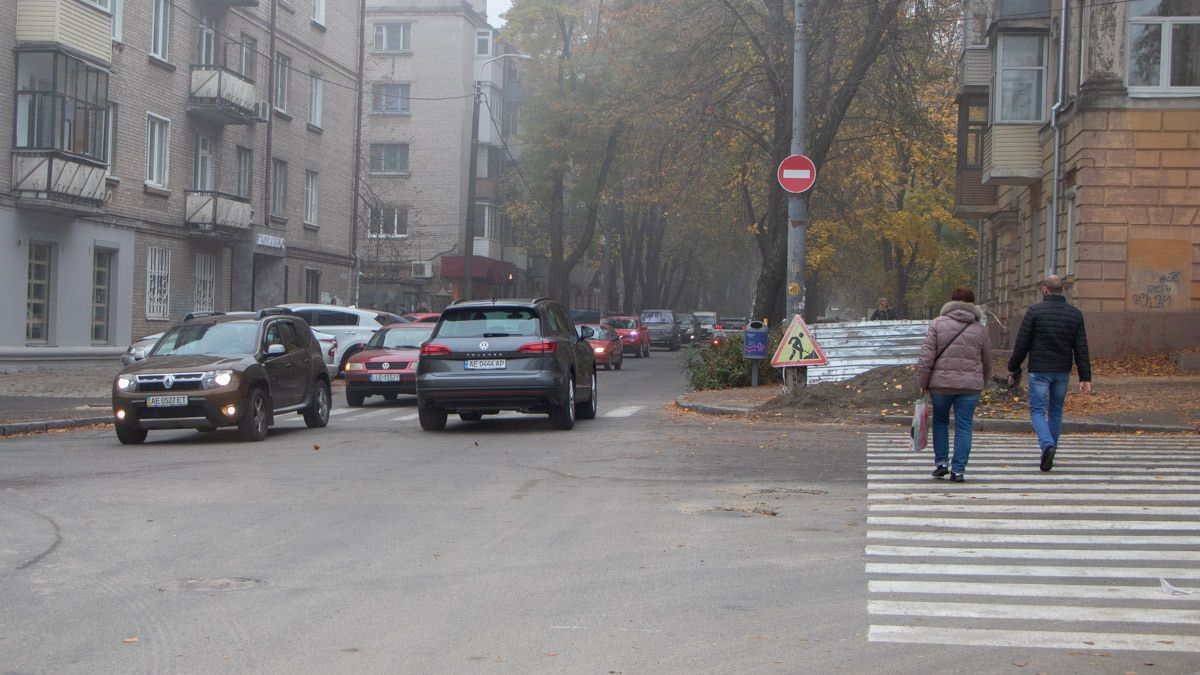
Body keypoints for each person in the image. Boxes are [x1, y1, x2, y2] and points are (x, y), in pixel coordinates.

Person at [1007, 275, 1092, 472]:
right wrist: (1085, 377)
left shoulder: (1035, 312)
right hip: (1062, 370)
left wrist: (1014, 367)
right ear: (1062, 290)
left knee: (1037, 410)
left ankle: (1047, 445)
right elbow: (1081, 347)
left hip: (1039, 369)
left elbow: (1022, 343)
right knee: (1056, 411)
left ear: (1045, 289)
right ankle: (1052, 446)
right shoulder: (1075, 314)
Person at [916, 287, 992, 483]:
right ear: (972, 305)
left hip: (941, 386)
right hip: (970, 387)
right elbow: (987, 359)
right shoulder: (980, 329)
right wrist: (983, 381)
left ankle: (941, 463)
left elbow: (927, 357)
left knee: (940, 421)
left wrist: (922, 382)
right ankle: (958, 470)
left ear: (951, 302)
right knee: (964, 426)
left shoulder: (937, 324)